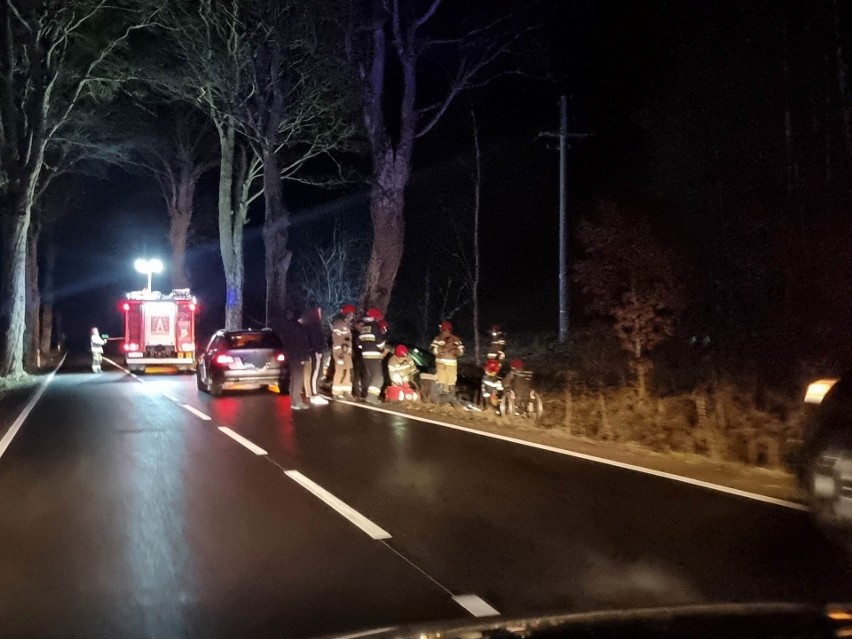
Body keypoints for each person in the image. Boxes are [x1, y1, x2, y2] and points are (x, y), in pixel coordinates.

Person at [279, 310, 314, 411]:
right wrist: (304, 357)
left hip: (291, 357)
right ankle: (297, 401)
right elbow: (302, 344)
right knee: (298, 379)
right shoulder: (299, 329)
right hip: (298, 356)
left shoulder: (289, 328)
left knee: (294, 378)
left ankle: (294, 401)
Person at [357, 307, 386, 404]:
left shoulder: (364, 327)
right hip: (374, 355)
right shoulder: (375, 326)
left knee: (370, 376)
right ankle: (372, 398)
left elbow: (358, 343)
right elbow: (380, 343)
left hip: (365, 356)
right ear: (375, 317)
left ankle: (367, 395)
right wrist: (383, 348)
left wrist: (366, 347)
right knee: (379, 377)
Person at [301, 307, 328, 406]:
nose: (321, 314)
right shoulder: (315, 325)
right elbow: (316, 338)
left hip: (313, 351)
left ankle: (313, 392)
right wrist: (318, 350)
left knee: (315, 373)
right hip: (315, 352)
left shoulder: (310, 325)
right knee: (315, 373)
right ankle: (314, 394)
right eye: (319, 312)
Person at [430, 320, 464, 398]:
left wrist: (456, 351)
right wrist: (441, 350)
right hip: (441, 366)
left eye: (448, 330)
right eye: (445, 331)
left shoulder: (456, 339)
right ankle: (438, 400)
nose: (446, 333)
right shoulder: (437, 339)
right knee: (441, 382)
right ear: (442, 330)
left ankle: (452, 399)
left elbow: (461, 351)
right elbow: (432, 349)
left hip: (452, 367)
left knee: (451, 383)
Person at [331, 304, 356, 399]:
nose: (352, 316)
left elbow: (348, 339)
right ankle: (336, 393)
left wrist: (349, 350)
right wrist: (340, 352)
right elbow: (336, 339)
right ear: (347, 314)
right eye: (351, 314)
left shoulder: (346, 325)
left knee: (347, 372)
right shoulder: (339, 324)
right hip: (340, 352)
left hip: (347, 353)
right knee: (339, 371)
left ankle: (347, 391)